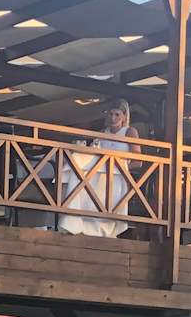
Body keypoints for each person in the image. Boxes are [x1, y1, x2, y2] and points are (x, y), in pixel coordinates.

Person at [58, 98, 137, 237]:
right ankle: (77, 222)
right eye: (111, 114)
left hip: (119, 175)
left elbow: (138, 161)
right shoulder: (103, 132)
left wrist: (122, 168)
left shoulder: (129, 131)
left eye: (117, 114)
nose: (113, 118)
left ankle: (104, 228)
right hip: (99, 173)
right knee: (79, 174)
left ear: (124, 116)